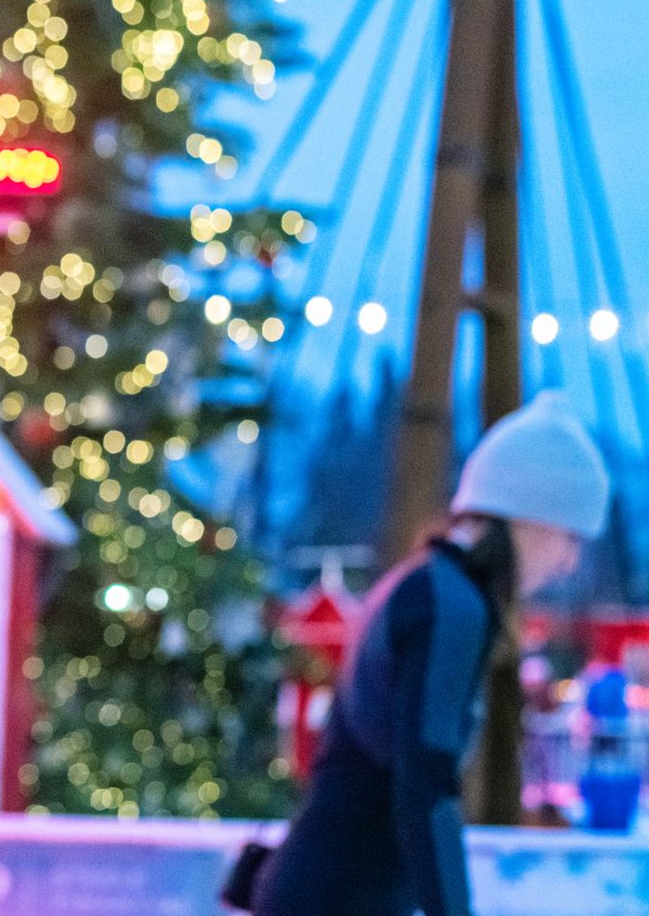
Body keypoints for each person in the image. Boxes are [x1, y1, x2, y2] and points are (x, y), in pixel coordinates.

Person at [252, 390, 610, 916]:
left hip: (325, 888)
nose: (569, 562)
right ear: (527, 514)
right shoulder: (452, 606)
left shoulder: (426, 584)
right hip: (340, 898)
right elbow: (426, 783)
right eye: (569, 536)